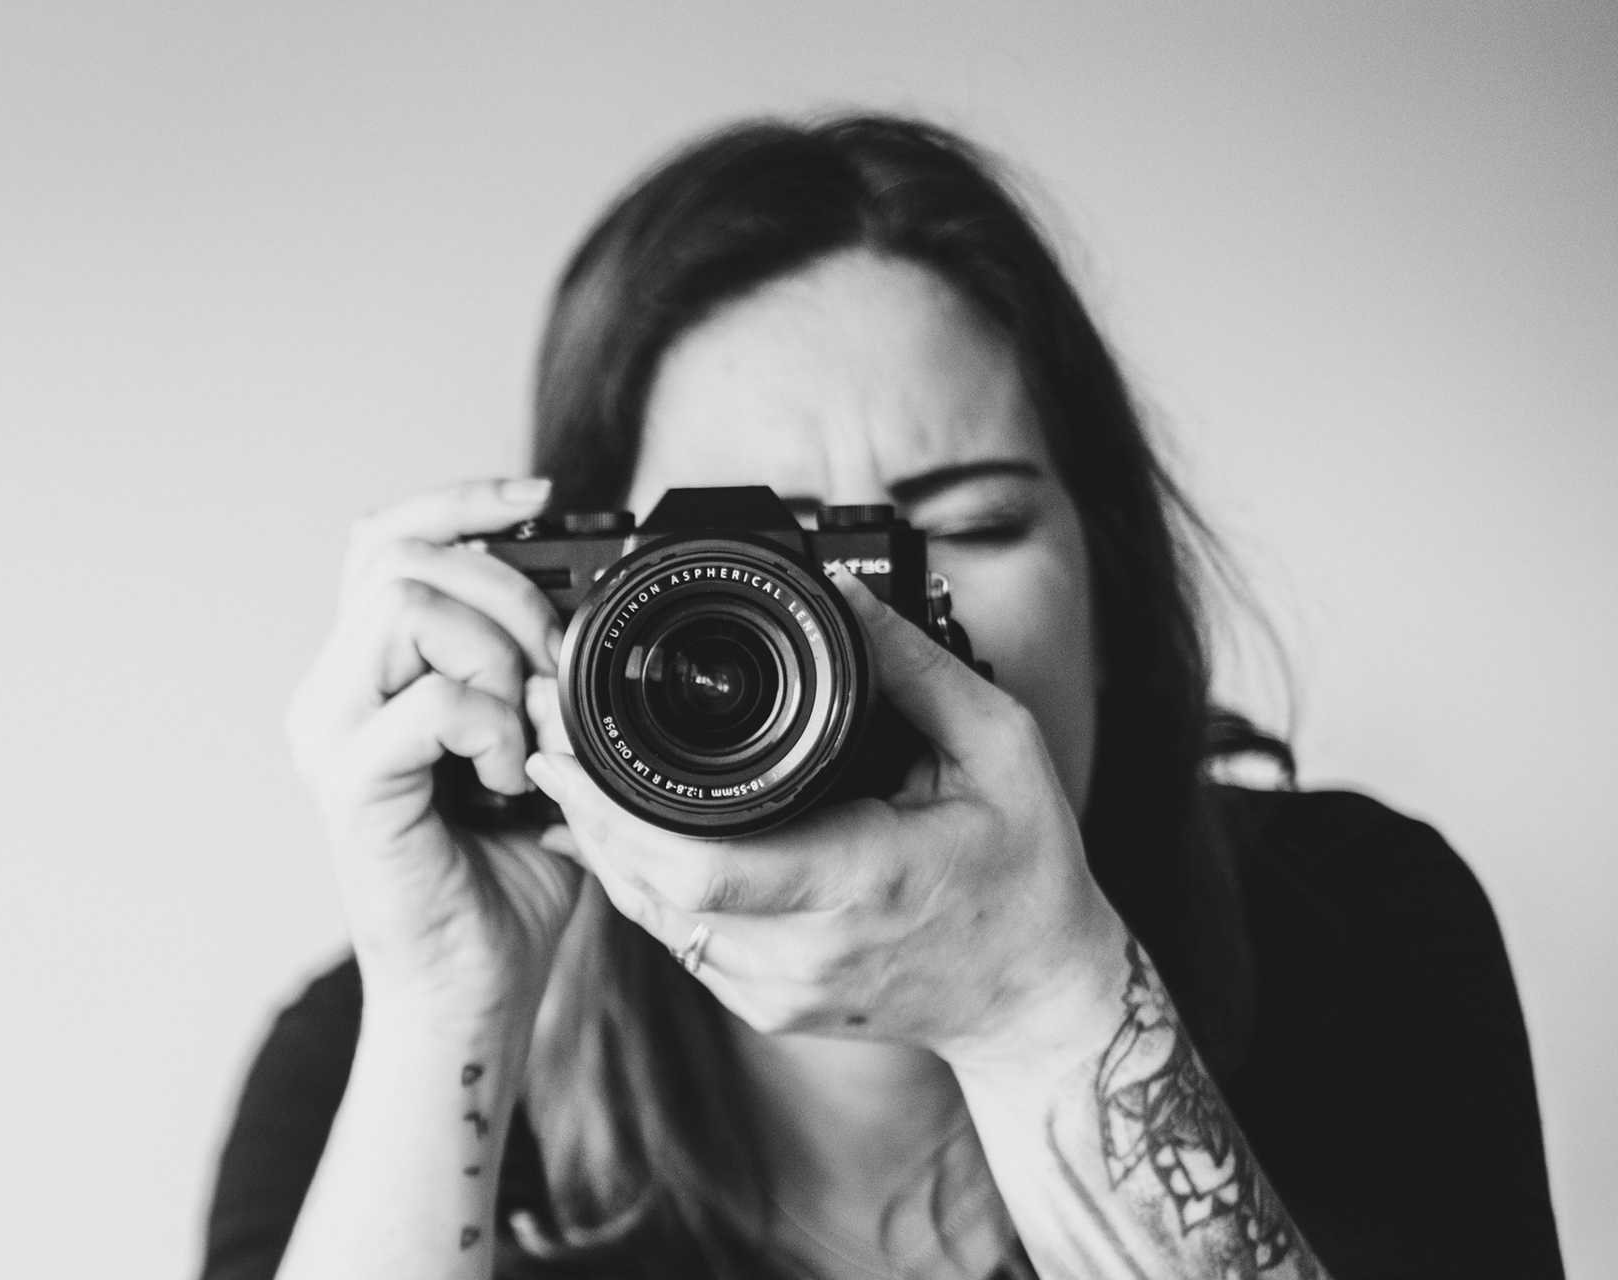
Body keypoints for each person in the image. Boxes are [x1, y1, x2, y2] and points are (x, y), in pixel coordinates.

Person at [200, 116, 1563, 1280]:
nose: (858, 629)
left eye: (964, 525)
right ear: (582, 615)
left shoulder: (1353, 924)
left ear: (1112, 590)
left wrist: (1043, 1010)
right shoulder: (382, 1047)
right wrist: (449, 998)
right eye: (759, 565)